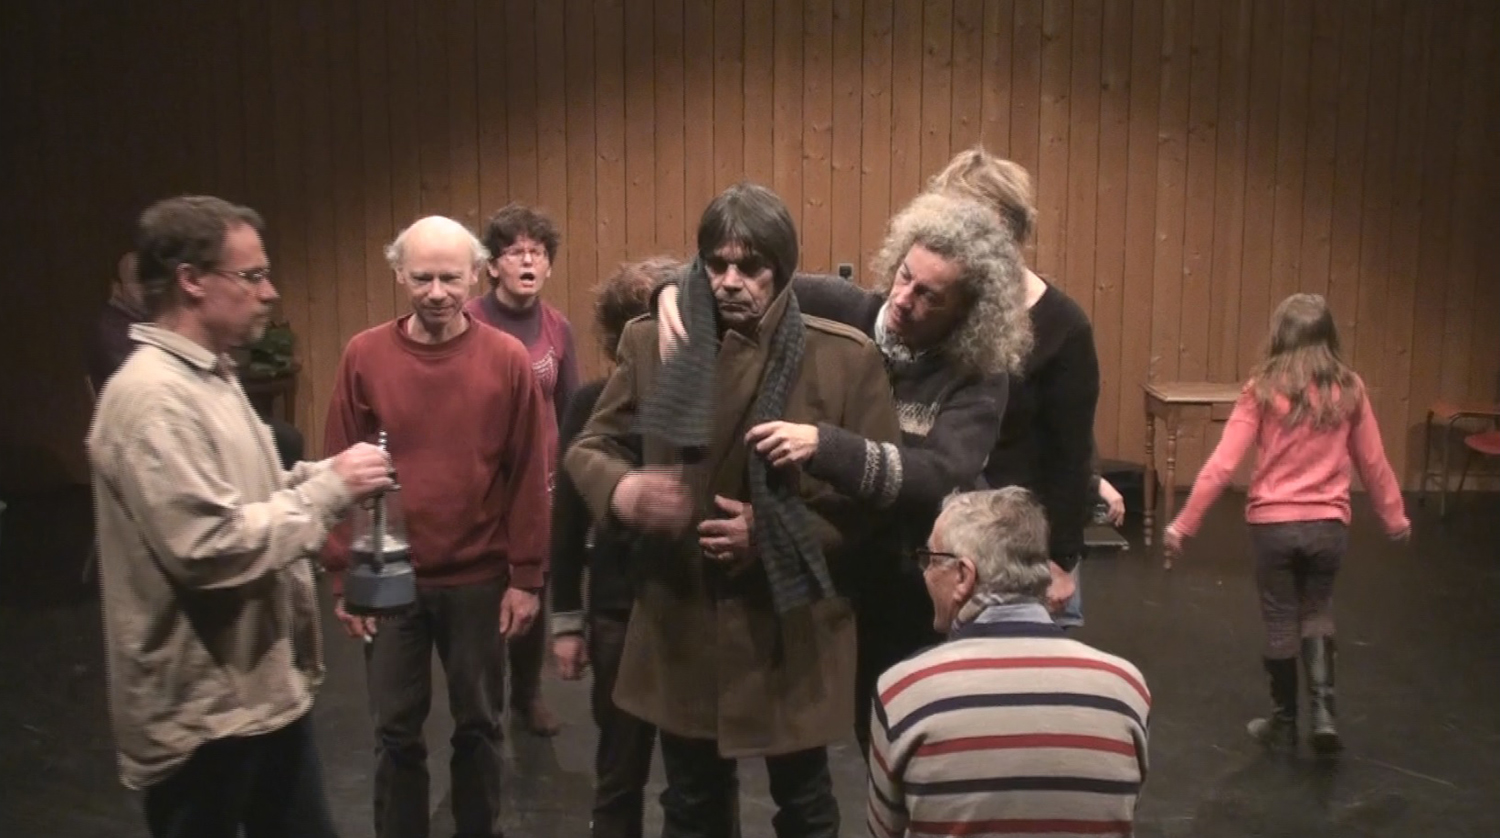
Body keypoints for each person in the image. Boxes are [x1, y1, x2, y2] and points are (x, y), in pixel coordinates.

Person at [565, 182, 901, 838]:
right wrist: (624, 490)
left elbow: (873, 504)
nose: (730, 282)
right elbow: (589, 446)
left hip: (791, 624)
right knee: (692, 802)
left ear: (782, 268)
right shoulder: (654, 343)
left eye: (751, 267)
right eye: (716, 265)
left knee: (805, 804)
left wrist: (773, 531)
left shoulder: (843, 357)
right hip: (683, 612)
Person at [657, 190, 1030, 752]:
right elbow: (735, 276)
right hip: (823, 563)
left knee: (891, 732)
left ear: (968, 311)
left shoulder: (977, 374)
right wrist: (669, 293)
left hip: (903, 579)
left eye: (929, 295)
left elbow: (939, 475)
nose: (902, 298)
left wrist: (827, 445)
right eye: (904, 276)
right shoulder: (837, 303)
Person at [87, 195, 394, 838]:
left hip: (257, 696)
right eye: (252, 275)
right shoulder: (154, 400)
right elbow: (210, 546)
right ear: (191, 281)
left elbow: (246, 495)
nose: (270, 292)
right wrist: (327, 491)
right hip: (206, 719)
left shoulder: (208, 377)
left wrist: (326, 475)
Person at [321, 215, 552, 838]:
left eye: (450, 278)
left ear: (476, 273)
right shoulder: (364, 355)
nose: (437, 293)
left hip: (478, 576)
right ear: (399, 273)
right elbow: (338, 467)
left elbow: (529, 472)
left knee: (479, 724)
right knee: (394, 730)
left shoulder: (506, 359)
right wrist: (342, 576)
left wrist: (526, 577)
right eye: (422, 278)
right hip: (388, 578)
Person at [1164, 293, 1410, 755]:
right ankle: (1324, 714)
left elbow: (1222, 464)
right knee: (1316, 610)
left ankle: (1284, 723)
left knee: (1280, 620)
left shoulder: (1261, 389)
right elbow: (1373, 462)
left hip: (1272, 527)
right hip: (1328, 526)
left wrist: (1184, 524)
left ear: (1280, 335)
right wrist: (1394, 517)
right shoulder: (1350, 389)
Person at [867, 488, 1150, 838]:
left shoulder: (903, 692)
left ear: (964, 576)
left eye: (932, 560)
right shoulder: (1125, 688)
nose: (925, 573)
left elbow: (884, 831)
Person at [933, 146, 1102, 628]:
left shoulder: (1064, 327)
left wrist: (1061, 561)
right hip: (950, 544)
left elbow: (1071, 456)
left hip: (1026, 550)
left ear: (1007, 229)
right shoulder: (941, 308)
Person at [552, 256, 681, 838]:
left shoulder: (707, 401)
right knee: (620, 769)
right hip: (617, 608)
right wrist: (566, 622)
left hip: (687, 610)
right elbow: (566, 518)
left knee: (696, 777)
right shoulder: (591, 404)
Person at [467, 202, 580, 735]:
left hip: (544, 483)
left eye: (537, 252)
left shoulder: (558, 327)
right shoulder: (468, 322)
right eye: (515, 252)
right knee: (486, 590)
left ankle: (527, 696)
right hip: (484, 483)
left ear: (549, 265)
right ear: (493, 266)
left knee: (535, 583)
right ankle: (484, 699)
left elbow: (571, 407)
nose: (528, 261)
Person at [87, 248, 307, 468]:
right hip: (171, 421)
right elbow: (163, 385)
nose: (147, 291)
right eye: (138, 283)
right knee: (284, 440)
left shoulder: (146, 320)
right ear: (117, 287)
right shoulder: (114, 331)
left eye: (149, 282)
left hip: (195, 411)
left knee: (276, 436)